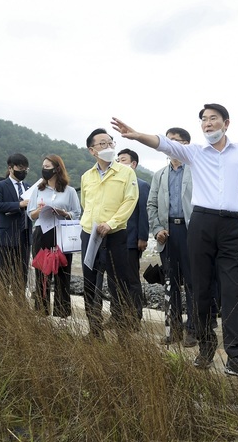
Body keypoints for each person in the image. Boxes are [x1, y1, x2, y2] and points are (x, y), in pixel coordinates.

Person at [111, 103, 238, 380]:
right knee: (199, 287)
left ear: (226, 122)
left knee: (231, 288)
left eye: (213, 118)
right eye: (204, 120)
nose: (208, 123)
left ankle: (236, 356)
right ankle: (205, 344)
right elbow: (163, 144)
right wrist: (136, 135)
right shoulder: (194, 153)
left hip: (230, 224)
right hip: (200, 223)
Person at [79, 129, 139, 339]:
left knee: (119, 283)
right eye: (102, 144)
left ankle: (123, 330)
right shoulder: (87, 176)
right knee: (90, 282)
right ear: (92, 150)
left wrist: (111, 223)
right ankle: (94, 330)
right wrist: (92, 224)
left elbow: (130, 200)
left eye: (110, 142)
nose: (108, 147)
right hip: (90, 234)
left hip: (115, 235)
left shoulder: (126, 172)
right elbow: (85, 204)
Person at [147, 127, 197, 347]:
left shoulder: (197, 170)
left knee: (193, 283)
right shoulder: (159, 174)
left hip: (191, 232)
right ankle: (173, 329)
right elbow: (152, 204)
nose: (170, 146)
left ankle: (194, 329)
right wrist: (157, 228)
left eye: (175, 141)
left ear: (185, 145)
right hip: (167, 234)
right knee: (171, 283)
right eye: (168, 142)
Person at [27, 155, 81, 317]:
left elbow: (77, 213)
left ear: (57, 168)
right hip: (42, 233)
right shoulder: (38, 189)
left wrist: (65, 213)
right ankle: (41, 311)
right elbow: (31, 214)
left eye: (48, 166)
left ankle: (62, 313)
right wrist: (39, 210)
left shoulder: (70, 191)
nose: (45, 169)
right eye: (43, 166)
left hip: (62, 234)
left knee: (63, 273)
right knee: (42, 273)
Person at [0, 153, 32, 299]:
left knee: (21, 277)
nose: (23, 171)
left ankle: (20, 308)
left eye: (26, 169)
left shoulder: (28, 187)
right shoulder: (0, 186)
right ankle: (2, 309)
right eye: (20, 168)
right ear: (10, 168)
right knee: (4, 276)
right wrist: (19, 204)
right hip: (5, 238)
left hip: (24, 237)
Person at [117, 148, 150, 322]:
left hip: (131, 239)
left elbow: (144, 213)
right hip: (115, 238)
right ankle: (118, 315)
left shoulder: (142, 185)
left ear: (133, 164)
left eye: (123, 160)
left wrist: (142, 237)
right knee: (116, 279)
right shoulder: (114, 184)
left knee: (132, 279)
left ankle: (135, 316)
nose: (119, 163)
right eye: (118, 160)